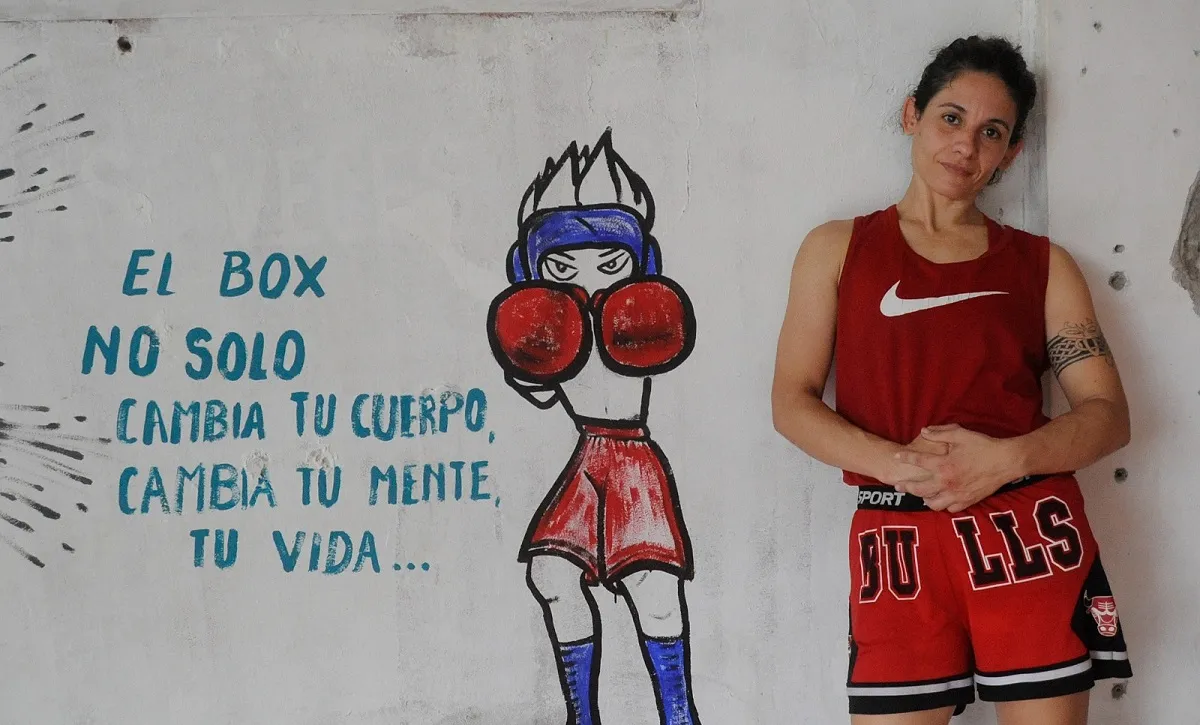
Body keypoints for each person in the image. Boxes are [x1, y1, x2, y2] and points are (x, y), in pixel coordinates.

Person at [770, 36, 1132, 724]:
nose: (967, 145)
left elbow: (1108, 414)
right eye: (952, 117)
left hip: (1028, 536)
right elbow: (791, 401)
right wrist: (904, 465)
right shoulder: (838, 247)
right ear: (912, 114)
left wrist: (1004, 459)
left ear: (1010, 153)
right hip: (895, 542)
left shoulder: (1043, 265)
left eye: (991, 131)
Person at [487, 130, 701, 725]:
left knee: (654, 589)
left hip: (632, 461)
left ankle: (679, 717)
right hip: (589, 458)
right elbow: (539, 387)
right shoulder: (553, 322)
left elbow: (649, 355)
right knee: (551, 573)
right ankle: (583, 716)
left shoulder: (636, 316)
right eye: (565, 263)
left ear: (638, 262)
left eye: (611, 262)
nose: (590, 274)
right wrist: (528, 361)